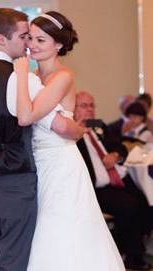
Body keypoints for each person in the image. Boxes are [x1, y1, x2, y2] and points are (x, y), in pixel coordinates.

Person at [0, 8, 82, 271]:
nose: (29, 43)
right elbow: (58, 126)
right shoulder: (25, 80)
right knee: (14, 256)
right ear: (1, 39)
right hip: (16, 180)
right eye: (24, 36)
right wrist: (79, 130)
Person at [13, 11, 125, 270]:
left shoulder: (62, 77)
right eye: (30, 38)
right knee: (40, 224)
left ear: (59, 45)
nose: (32, 45)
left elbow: (26, 116)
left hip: (61, 164)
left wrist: (20, 74)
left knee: (60, 226)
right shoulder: (35, 77)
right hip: (38, 162)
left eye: (42, 40)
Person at [75, 91, 152, 270]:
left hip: (116, 178)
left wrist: (115, 154)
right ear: (73, 107)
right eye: (83, 106)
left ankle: (128, 248)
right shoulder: (70, 131)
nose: (89, 110)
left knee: (146, 201)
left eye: (92, 105)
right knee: (130, 206)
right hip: (96, 187)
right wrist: (77, 130)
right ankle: (132, 257)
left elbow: (118, 144)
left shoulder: (97, 125)